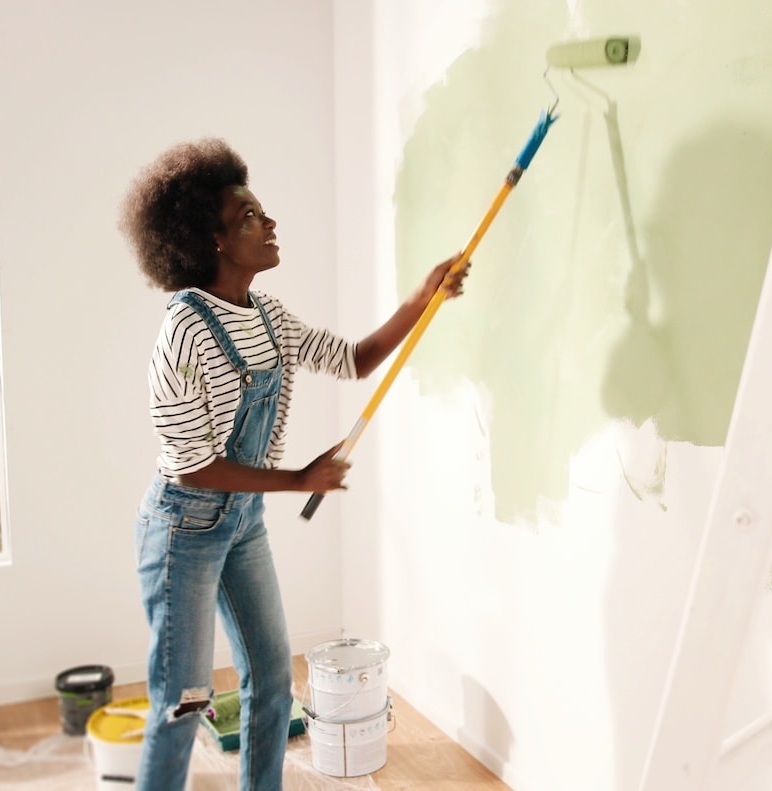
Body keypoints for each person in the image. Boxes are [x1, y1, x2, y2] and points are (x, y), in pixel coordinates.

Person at [117, 137, 468, 790]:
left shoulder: (270, 316)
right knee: (184, 700)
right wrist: (299, 480)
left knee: (273, 680)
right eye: (249, 216)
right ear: (213, 239)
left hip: (241, 520)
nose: (270, 222)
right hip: (183, 529)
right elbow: (194, 466)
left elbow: (354, 359)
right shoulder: (185, 331)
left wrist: (425, 298)